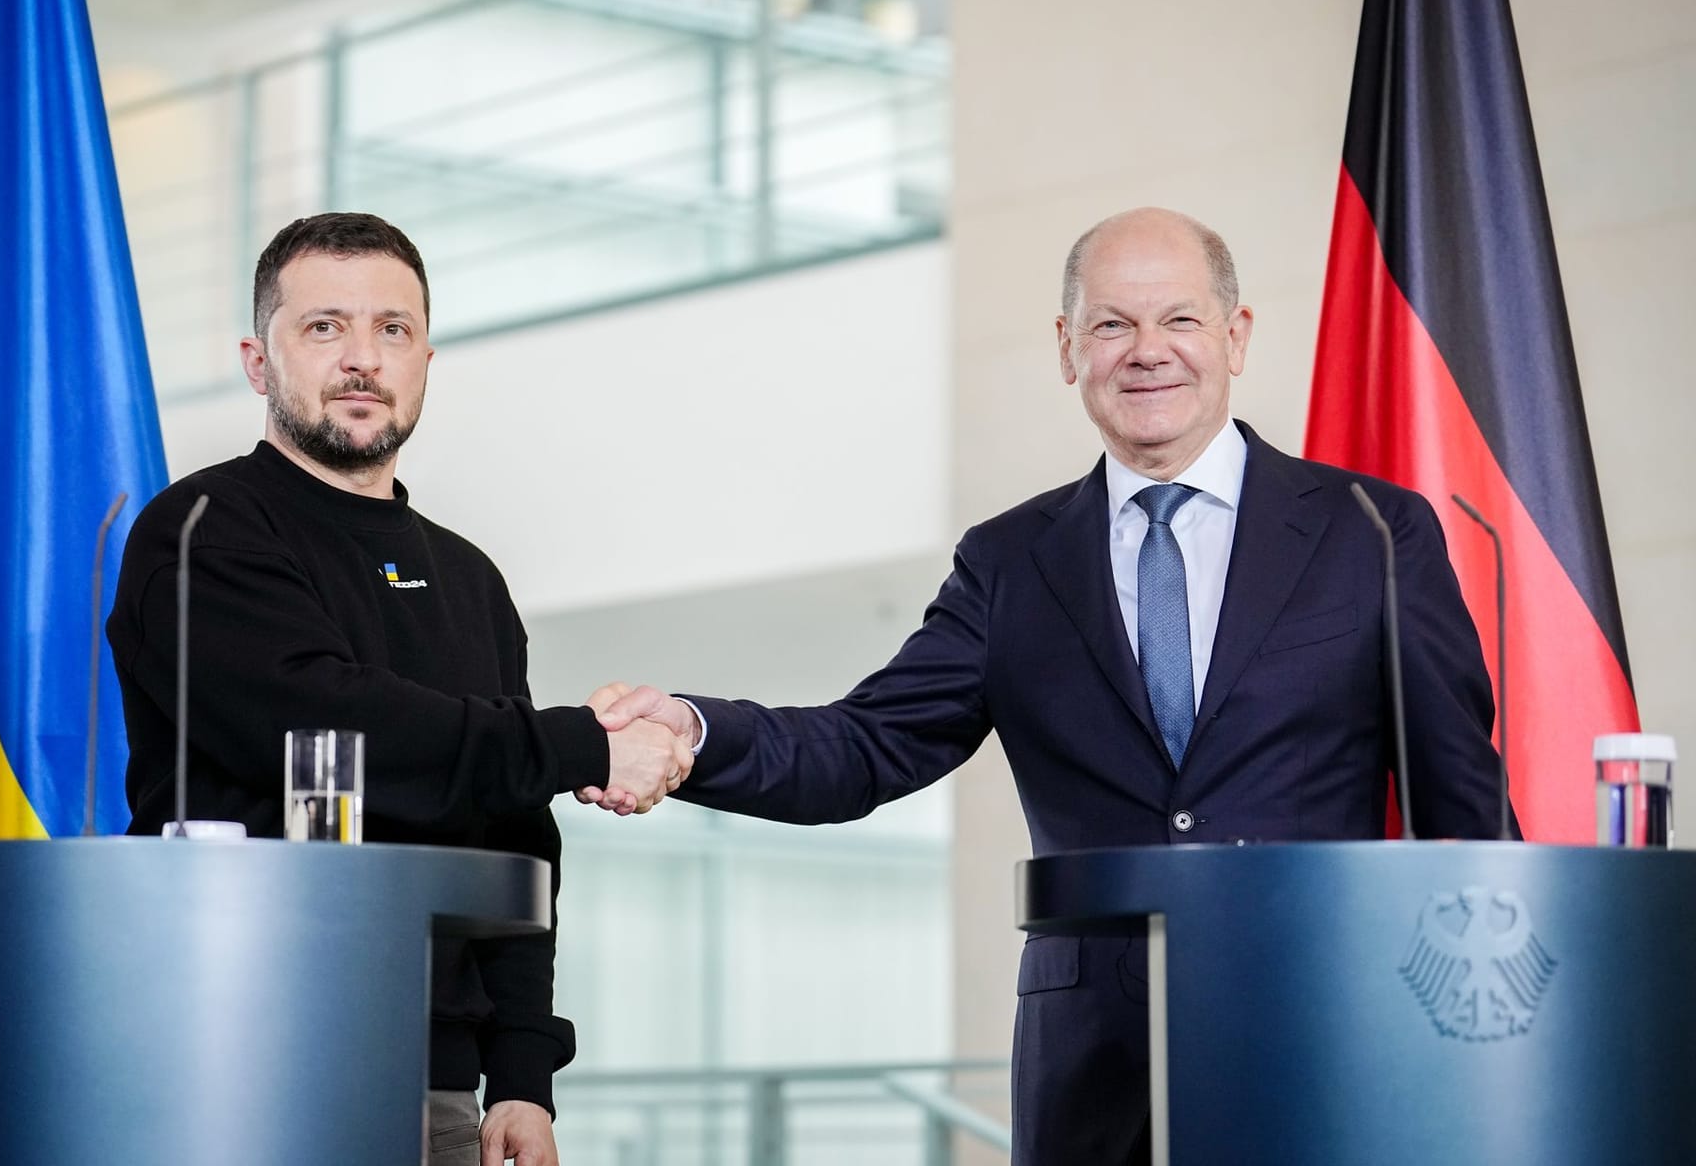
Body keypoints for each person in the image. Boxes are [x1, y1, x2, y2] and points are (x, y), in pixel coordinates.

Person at [584, 207, 1515, 1163]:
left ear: (1235, 337)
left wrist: (1500, 1040)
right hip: (1092, 1065)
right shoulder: (1009, 560)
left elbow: (1464, 801)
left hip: (1328, 1029)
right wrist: (693, 732)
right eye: (1112, 324)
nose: (1147, 351)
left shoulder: (1371, 531)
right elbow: (866, 746)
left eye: (1180, 321)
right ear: (1068, 350)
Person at [108, 212, 690, 1166]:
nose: (362, 359)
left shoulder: (471, 579)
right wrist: (583, 745)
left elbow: (516, 841)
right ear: (260, 361)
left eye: (394, 330)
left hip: (440, 1086)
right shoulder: (201, 530)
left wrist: (522, 1078)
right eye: (324, 327)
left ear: (425, 358)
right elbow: (322, 724)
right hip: (232, 1059)